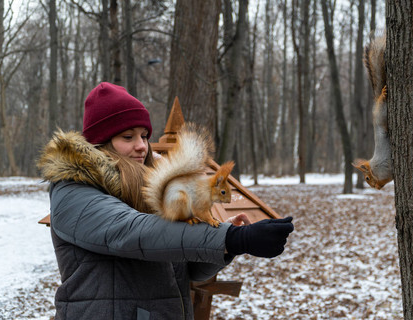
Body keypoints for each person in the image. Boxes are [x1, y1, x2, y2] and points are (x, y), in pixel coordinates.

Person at [39, 82, 294, 320]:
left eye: (145, 136)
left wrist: (230, 246)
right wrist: (232, 237)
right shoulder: (73, 191)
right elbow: (134, 231)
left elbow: (188, 271)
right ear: (101, 143)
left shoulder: (149, 188)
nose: (142, 146)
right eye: (128, 137)